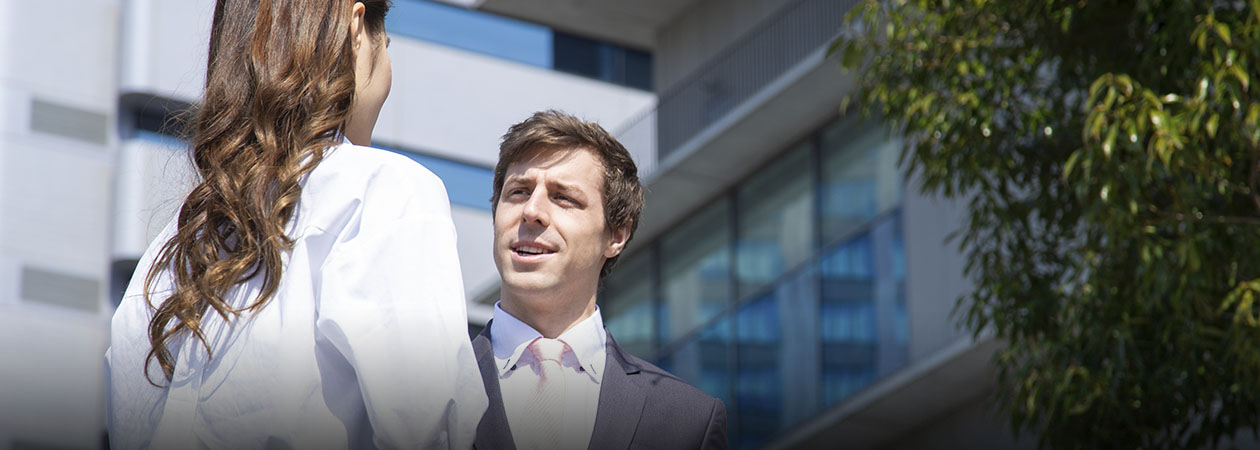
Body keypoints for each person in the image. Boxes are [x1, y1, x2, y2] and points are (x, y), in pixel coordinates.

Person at [105, 1, 486, 448]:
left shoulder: (169, 249)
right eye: (386, 47)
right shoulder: (385, 191)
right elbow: (429, 425)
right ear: (356, 28)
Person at [473, 110, 728, 450]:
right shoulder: (415, 388)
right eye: (518, 192)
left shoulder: (688, 421)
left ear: (617, 234)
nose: (531, 211)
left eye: (563, 197)